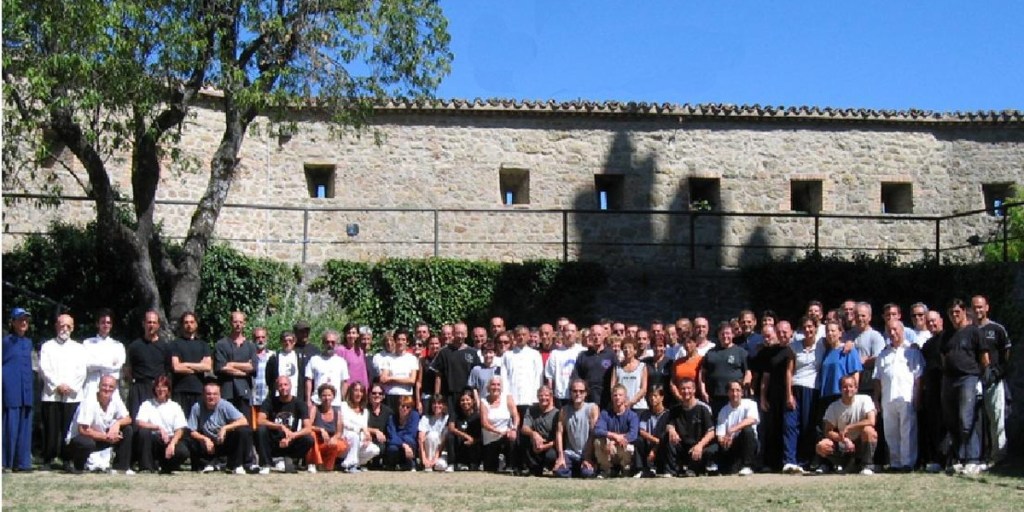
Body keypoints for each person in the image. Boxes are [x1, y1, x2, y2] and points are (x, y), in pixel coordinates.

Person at [940, 299, 988, 475]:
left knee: (966, 420)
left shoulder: (974, 332)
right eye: (951, 313)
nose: (954, 315)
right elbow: (943, 357)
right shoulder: (947, 335)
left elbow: (985, 359)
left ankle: (973, 458)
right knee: (951, 420)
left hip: (968, 378)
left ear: (964, 312)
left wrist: (980, 380)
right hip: (949, 380)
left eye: (957, 312)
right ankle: (960, 458)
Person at [873, 319, 924, 472]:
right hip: (888, 397)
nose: (892, 333)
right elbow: (877, 378)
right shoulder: (883, 354)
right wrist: (876, 399)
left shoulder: (912, 352)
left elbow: (919, 378)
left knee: (907, 430)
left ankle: (907, 463)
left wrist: (918, 398)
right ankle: (895, 463)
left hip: (906, 397)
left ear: (902, 331)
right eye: (889, 330)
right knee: (890, 431)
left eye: (895, 329)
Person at [40, 313, 87, 471]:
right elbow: (44, 369)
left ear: (72, 328)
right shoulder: (47, 346)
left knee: (69, 429)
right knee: (50, 428)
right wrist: (57, 385)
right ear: (56, 326)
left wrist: (70, 387)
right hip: (52, 394)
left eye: (68, 326)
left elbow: (82, 371)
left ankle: (67, 459)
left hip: (71, 396)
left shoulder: (79, 348)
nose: (64, 328)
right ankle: (48, 459)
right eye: (62, 325)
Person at [65, 375, 134, 474]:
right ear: (99, 386)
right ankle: (77, 466)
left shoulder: (115, 400)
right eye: (104, 385)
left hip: (101, 437)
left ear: (114, 389)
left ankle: (121, 468)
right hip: (79, 440)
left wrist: (117, 424)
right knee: (86, 443)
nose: (107, 389)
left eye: (111, 387)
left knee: (127, 430)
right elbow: (83, 429)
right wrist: (107, 437)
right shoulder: (89, 401)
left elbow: (128, 418)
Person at [972, 294, 1010, 466]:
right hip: (973, 380)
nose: (978, 310)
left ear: (987, 307)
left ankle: (998, 457)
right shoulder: (969, 330)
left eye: (980, 306)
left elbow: (1006, 353)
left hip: (993, 381)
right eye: (974, 307)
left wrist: (997, 372)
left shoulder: (997, 329)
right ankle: (979, 456)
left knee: (996, 418)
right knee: (976, 420)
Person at [783, 316, 824, 474]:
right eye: (805, 327)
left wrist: (848, 344)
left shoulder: (822, 344)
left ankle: (804, 461)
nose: (808, 330)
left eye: (810, 327)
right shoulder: (794, 347)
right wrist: (789, 394)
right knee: (790, 424)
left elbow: (838, 343)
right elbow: (789, 371)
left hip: (812, 389)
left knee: (808, 426)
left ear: (815, 328)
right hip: (796, 387)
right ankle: (789, 461)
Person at [187, 381, 257, 474]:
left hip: (223, 441)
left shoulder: (225, 405)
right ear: (203, 395)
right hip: (207, 444)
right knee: (191, 439)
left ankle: (239, 464)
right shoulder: (197, 407)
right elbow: (191, 430)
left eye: (215, 394)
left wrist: (225, 428)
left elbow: (244, 421)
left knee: (244, 431)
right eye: (208, 394)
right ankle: (205, 464)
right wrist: (204, 439)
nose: (211, 397)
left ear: (219, 395)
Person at [816, 375, 878, 475]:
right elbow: (827, 431)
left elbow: (871, 421)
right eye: (844, 387)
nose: (848, 389)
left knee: (869, 431)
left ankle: (867, 465)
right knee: (821, 446)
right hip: (843, 446)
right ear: (840, 389)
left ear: (856, 388)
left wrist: (849, 427)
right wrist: (844, 440)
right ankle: (833, 465)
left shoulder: (865, 399)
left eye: (851, 386)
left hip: (860, 443)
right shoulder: (833, 407)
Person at [755, 320, 796, 472]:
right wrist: (763, 397)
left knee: (787, 427)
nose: (782, 335)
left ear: (791, 332)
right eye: (779, 332)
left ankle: (788, 460)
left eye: (785, 332)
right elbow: (766, 377)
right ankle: (772, 463)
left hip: (789, 393)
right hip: (773, 394)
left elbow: (791, 373)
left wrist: (790, 395)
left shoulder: (793, 349)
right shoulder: (770, 352)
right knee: (772, 428)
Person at [255, 375, 313, 474]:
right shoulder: (270, 401)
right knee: (261, 430)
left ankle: (291, 460)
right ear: (277, 388)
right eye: (280, 385)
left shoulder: (299, 403)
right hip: (273, 441)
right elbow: (260, 420)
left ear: (290, 386)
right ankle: (266, 464)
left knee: (308, 439)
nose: (283, 387)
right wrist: (280, 426)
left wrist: (292, 436)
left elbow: (308, 428)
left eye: (286, 384)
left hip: (290, 441)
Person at [661, 378, 717, 477]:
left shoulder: (703, 409)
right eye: (683, 389)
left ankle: (695, 469)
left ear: (694, 390)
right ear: (679, 391)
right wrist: (671, 430)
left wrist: (700, 446)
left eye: (689, 388)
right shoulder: (675, 410)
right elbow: (669, 424)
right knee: (667, 437)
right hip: (682, 447)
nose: (686, 391)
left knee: (711, 449)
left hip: (698, 446)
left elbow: (711, 432)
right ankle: (671, 471)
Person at [134, 375, 189, 473]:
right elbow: (139, 422)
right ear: (154, 389)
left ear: (168, 389)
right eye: (158, 387)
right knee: (143, 432)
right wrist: (158, 428)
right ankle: (146, 468)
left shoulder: (175, 406)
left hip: (169, 440)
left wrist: (172, 444)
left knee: (182, 452)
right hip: (153, 440)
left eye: (164, 387)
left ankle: (166, 466)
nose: (161, 390)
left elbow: (180, 429)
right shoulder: (147, 404)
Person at [3, 307, 35, 472]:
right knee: (10, 426)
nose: (24, 323)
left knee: (25, 427)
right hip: (11, 389)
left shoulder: (29, 343)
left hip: (26, 390)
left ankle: (22, 462)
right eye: (20, 319)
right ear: (13, 322)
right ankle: (5, 461)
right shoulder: (6, 342)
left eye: (26, 320)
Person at [699, 321, 751, 418]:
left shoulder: (741, 352)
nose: (725, 336)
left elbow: (748, 372)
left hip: (735, 397)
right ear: (718, 336)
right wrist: (703, 391)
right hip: (715, 397)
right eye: (722, 334)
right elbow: (702, 373)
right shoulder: (710, 353)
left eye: (727, 333)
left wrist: (744, 388)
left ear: (733, 335)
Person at [214, 311, 257, 421]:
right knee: (227, 424)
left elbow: (253, 367)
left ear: (244, 324)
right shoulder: (221, 344)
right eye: (235, 322)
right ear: (230, 323)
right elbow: (221, 367)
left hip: (244, 392)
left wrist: (232, 364)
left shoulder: (250, 346)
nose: (238, 324)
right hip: (227, 391)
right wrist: (244, 371)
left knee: (244, 424)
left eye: (240, 322)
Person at [126, 310, 169, 419]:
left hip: (158, 389)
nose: (151, 325)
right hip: (139, 389)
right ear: (143, 324)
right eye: (149, 322)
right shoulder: (134, 346)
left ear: (158, 325)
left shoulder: (165, 347)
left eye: (154, 322)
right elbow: (128, 370)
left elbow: (168, 370)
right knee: (136, 421)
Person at [553, 379, 599, 478]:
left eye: (581, 391)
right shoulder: (564, 410)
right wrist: (561, 456)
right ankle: (574, 470)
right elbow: (559, 432)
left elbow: (593, 433)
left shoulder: (592, 408)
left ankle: (581, 470)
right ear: (570, 393)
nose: (578, 394)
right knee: (560, 472)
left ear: (586, 393)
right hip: (570, 452)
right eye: (575, 391)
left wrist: (588, 456)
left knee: (587, 474)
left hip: (587, 452)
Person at [431, 321, 481, 413]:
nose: (460, 336)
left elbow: (477, 377)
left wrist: (477, 397)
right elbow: (438, 376)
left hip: (468, 396)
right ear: (453, 333)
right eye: (458, 333)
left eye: (462, 333)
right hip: (449, 395)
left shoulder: (473, 353)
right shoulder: (444, 352)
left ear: (466, 334)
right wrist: (437, 396)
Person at [169, 311, 211, 418]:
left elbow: (207, 366)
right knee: (180, 422)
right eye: (186, 322)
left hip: (198, 389)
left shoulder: (203, 345)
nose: (189, 325)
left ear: (196, 324)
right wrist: (198, 367)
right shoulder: (175, 344)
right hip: (180, 390)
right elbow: (176, 367)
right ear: (182, 325)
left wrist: (186, 364)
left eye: (192, 322)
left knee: (197, 423)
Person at [715, 380, 759, 476]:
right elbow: (720, 434)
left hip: (748, 443)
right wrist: (724, 441)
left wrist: (732, 430)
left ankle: (747, 466)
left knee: (748, 430)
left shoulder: (751, 404)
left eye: (738, 390)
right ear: (728, 393)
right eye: (732, 390)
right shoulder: (723, 411)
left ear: (742, 392)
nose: (735, 394)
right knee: (730, 470)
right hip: (732, 445)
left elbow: (752, 419)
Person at [82, 308, 125, 398]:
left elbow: (117, 367)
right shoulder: (88, 343)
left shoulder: (118, 346)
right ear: (97, 324)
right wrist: (109, 363)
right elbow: (88, 365)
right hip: (92, 386)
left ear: (111, 325)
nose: (106, 325)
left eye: (108, 323)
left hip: (111, 387)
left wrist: (97, 363)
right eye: (103, 322)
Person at [480, 375, 519, 473]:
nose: (496, 387)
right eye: (493, 384)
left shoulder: (507, 398)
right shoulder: (483, 401)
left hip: (506, 435)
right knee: (490, 469)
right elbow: (484, 423)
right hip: (490, 439)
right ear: (488, 387)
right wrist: (499, 432)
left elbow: (516, 416)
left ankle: (510, 465)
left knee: (513, 439)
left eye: (498, 385)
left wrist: (514, 429)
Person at [504, 325, 543, 421]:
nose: (521, 337)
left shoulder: (535, 354)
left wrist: (536, 397)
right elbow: (504, 377)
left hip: (530, 398)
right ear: (514, 337)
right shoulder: (508, 355)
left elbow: (539, 377)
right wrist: (507, 396)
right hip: (513, 398)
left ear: (528, 336)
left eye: (524, 335)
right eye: (518, 335)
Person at [571, 324, 616, 408]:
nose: (596, 337)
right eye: (594, 335)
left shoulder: (611, 355)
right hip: (587, 400)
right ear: (590, 337)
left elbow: (617, 376)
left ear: (604, 336)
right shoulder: (583, 355)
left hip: (606, 399)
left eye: (599, 335)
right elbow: (576, 376)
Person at [340, 381, 381, 472]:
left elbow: (364, 427)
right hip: (346, 437)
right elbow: (345, 423)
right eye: (356, 390)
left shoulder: (365, 411)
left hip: (359, 441)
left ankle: (350, 463)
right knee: (354, 436)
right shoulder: (344, 406)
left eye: (361, 391)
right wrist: (360, 429)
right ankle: (350, 465)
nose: (359, 394)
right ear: (351, 392)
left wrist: (366, 438)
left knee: (375, 450)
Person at [518, 385, 559, 476]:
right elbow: (524, 428)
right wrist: (534, 434)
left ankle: (549, 467)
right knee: (522, 438)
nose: (543, 398)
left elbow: (559, 438)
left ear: (551, 397)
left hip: (550, 445)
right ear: (537, 397)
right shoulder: (531, 410)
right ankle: (532, 468)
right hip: (535, 444)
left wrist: (544, 446)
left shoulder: (557, 413)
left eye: (546, 395)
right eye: (541, 395)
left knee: (551, 456)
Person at [305, 330, 350, 411]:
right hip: (317, 402)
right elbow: (309, 380)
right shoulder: (314, 360)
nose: (330, 345)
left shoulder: (341, 362)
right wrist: (308, 400)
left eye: (333, 342)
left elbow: (344, 382)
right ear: (323, 343)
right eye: (327, 342)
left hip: (335, 403)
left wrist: (342, 400)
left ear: (337, 344)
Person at [306, 384, 346, 473]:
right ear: (320, 397)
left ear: (333, 397)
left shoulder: (337, 412)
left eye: (329, 395)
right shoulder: (315, 409)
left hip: (328, 443)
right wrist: (321, 430)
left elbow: (339, 432)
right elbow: (307, 426)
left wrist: (334, 438)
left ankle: (327, 466)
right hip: (316, 444)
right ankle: (316, 462)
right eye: (324, 395)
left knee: (340, 444)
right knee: (311, 434)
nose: (327, 398)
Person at [265, 331, 310, 404]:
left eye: (290, 341)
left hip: (296, 396)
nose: (287, 343)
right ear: (281, 342)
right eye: (285, 341)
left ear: (294, 342)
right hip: (279, 397)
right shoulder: (274, 358)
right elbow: (268, 378)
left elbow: (305, 377)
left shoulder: (301, 357)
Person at [380, 329, 419, 413]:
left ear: (407, 342)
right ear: (395, 341)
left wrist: (391, 378)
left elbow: (412, 380)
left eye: (403, 340)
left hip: (406, 395)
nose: (400, 342)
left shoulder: (412, 359)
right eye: (398, 339)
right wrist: (404, 379)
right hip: (390, 395)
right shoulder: (387, 359)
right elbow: (383, 379)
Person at [634, 384, 669, 477]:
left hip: (661, 445)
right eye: (650, 396)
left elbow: (664, 434)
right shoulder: (645, 414)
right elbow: (641, 431)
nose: (652, 399)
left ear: (662, 397)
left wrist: (655, 448)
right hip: (650, 443)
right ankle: (640, 469)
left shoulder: (667, 415)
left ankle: (663, 468)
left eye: (655, 396)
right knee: (639, 440)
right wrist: (654, 440)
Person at [545, 329, 585, 408]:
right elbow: (549, 377)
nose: (569, 334)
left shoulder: (583, 351)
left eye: (572, 331)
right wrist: (550, 398)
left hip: (579, 395)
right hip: (561, 395)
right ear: (563, 334)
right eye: (567, 331)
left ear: (576, 334)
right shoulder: (555, 353)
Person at [447, 388, 482, 471]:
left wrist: (472, 440)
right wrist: (466, 436)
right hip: (459, 443)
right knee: (450, 437)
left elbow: (480, 435)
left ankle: (476, 463)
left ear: (473, 401)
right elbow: (451, 428)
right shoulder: (455, 413)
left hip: (473, 444)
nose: (465, 402)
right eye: (462, 400)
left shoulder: (477, 416)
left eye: (467, 400)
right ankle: (452, 463)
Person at [610, 337, 648, 412]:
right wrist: (620, 401)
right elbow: (612, 387)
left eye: (630, 348)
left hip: (638, 407)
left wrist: (631, 402)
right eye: (625, 348)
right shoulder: (617, 367)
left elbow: (643, 389)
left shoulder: (642, 366)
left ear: (635, 350)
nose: (627, 350)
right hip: (621, 407)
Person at [384, 396, 420, 471]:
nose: (405, 408)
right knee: (392, 448)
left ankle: (410, 463)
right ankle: (392, 465)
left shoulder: (415, 416)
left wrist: (399, 437)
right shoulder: (392, 418)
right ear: (398, 407)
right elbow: (392, 437)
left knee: (410, 441)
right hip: (400, 446)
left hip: (409, 445)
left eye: (408, 407)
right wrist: (404, 445)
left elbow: (411, 435)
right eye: (403, 406)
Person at [418, 395, 450, 472]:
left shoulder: (447, 419)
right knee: (432, 435)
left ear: (444, 405)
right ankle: (427, 464)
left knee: (441, 465)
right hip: (427, 452)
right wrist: (424, 458)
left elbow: (443, 441)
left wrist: (436, 458)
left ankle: (433, 463)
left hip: (441, 451)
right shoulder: (425, 418)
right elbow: (420, 439)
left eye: (439, 403)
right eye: (434, 403)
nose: (436, 406)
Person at [669, 335, 702, 405]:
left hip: (697, 400)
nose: (687, 345)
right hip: (680, 401)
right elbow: (672, 382)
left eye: (689, 342)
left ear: (695, 343)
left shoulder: (701, 361)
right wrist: (678, 396)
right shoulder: (677, 362)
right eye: (685, 343)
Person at [366, 383, 392, 468]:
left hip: (382, 440)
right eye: (374, 393)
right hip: (367, 439)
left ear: (383, 396)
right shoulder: (364, 410)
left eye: (380, 393)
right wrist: (375, 431)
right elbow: (360, 426)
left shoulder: (388, 411)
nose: (377, 395)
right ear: (369, 395)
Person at [337, 323, 370, 390]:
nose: (351, 335)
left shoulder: (360, 351)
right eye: (349, 333)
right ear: (345, 335)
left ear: (358, 335)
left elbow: (363, 372)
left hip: (360, 389)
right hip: (347, 388)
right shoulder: (340, 350)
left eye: (353, 333)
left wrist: (366, 387)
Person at [252, 326, 274, 414]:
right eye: (258, 337)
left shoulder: (273, 356)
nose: (261, 340)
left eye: (263, 337)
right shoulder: (249, 356)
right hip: (253, 399)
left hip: (268, 399)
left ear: (266, 338)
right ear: (253, 339)